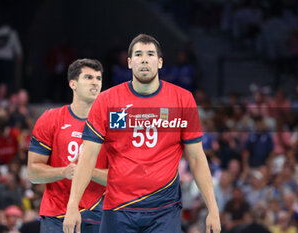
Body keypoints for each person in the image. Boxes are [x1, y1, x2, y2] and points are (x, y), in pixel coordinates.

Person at [63, 34, 220, 233]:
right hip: (118, 209)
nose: (144, 59)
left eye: (150, 54)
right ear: (129, 62)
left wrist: (213, 209)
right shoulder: (106, 100)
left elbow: (197, 158)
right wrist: (72, 206)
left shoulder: (183, 99)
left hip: (164, 210)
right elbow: (87, 157)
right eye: (138, 54)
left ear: (160, 62)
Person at [27, 59, 108, 233]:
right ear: (73, 84)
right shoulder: (50, 119)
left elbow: (119, 177)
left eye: (98, 78)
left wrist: (87, 171)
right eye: (88, 77)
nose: (95, 82)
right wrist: (64, 172)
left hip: (99, 216)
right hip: (57, 215)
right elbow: (33, 173)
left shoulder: (111, 125)